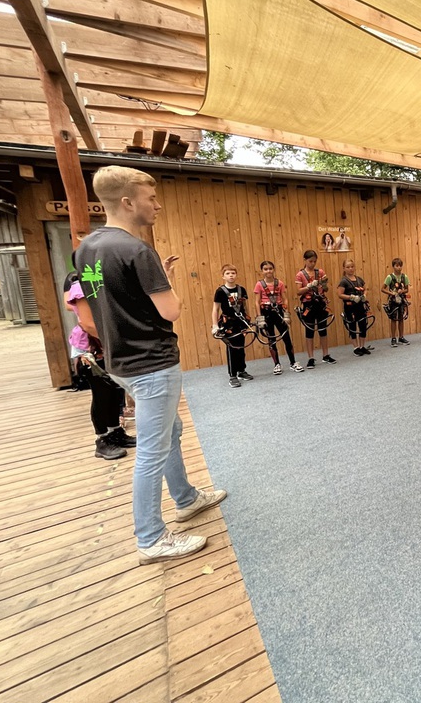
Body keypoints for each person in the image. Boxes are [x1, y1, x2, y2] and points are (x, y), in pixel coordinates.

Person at [74, 165, 226, 565]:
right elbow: (171, 310)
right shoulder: (138, 251)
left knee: (169, 430)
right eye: (151, 198)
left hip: (121, 361)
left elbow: (107, 302)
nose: (157, 205)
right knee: (152, 450)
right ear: (128, 202)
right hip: (152, 363)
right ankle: (152, 537)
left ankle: (186, 498)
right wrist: (168, 282)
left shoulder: (86, 248)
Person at [63, 270, 134, 460]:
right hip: (91, 346)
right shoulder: (79, 286)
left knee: (115, 390)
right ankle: (102, 439)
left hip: (107, 342)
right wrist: (112, 339)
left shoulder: (104, 282)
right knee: (101, 393)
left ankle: (115, 432)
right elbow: (87, 323)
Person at [253, 260, 301, 375]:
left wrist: (286, 314)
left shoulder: (279, 283)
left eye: (270, 268)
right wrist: (259, 317)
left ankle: (293, 362)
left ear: (273, 269)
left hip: (279, 311)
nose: (268, 271)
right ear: (262, 271)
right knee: (271, 339)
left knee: (286, 338)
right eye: (265, 269)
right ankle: (277, 364)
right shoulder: (259, 285)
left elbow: (285, 299)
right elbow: (257, 302)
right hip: (266, 313)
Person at [210, 264, 252, 388]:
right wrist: (215, 325)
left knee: (241, 347)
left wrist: (248, 319)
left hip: (241, 322)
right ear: (223, 276)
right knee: (232, 348)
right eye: (228, 273)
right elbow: (215, 309)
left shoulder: (241, 290)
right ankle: (232, 375)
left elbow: (245, 306)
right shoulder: (220, 291)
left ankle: (241, 370)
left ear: (236, 275)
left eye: (233, 273)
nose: (231, 275)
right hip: (228, 323)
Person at [296, 250, 336, 367]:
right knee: (309, 331)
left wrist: (323, 285)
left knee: (323, 329)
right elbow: (298, 291)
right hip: (309, 305)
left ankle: (325, 355)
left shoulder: (320, 272)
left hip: (320, 303)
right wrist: (308, 286)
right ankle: (311, 358)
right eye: (310, 261)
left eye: (314, 261)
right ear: (305, 260)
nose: (312, 263)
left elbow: (326, 289)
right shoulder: (300, 274)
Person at [337, 258, 372, 356]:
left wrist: (364, 295)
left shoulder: (359, 279)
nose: (350, 269)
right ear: (344, 268)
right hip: (350, 308)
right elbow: (339, 294)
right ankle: (356, 347)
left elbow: (365, 289)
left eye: (352, 267)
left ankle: (362, 346)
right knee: (352, 326)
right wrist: (351, 297)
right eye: (348, 267)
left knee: (363, 326)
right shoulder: (344, 281)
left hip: (360, 306)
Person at [382, 258, 411, 347]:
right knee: (393, 319)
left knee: (401, 318)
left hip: (401, 300)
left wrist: (402, 291)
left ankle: (401, 337)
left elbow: (407, 289)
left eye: (400, 266)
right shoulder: (390, 277)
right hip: (393, 300)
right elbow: (382, 289)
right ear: (393, 266)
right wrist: (392, 293)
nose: (399, 268)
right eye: (397, 266)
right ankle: (393, 338)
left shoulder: (404, 277)